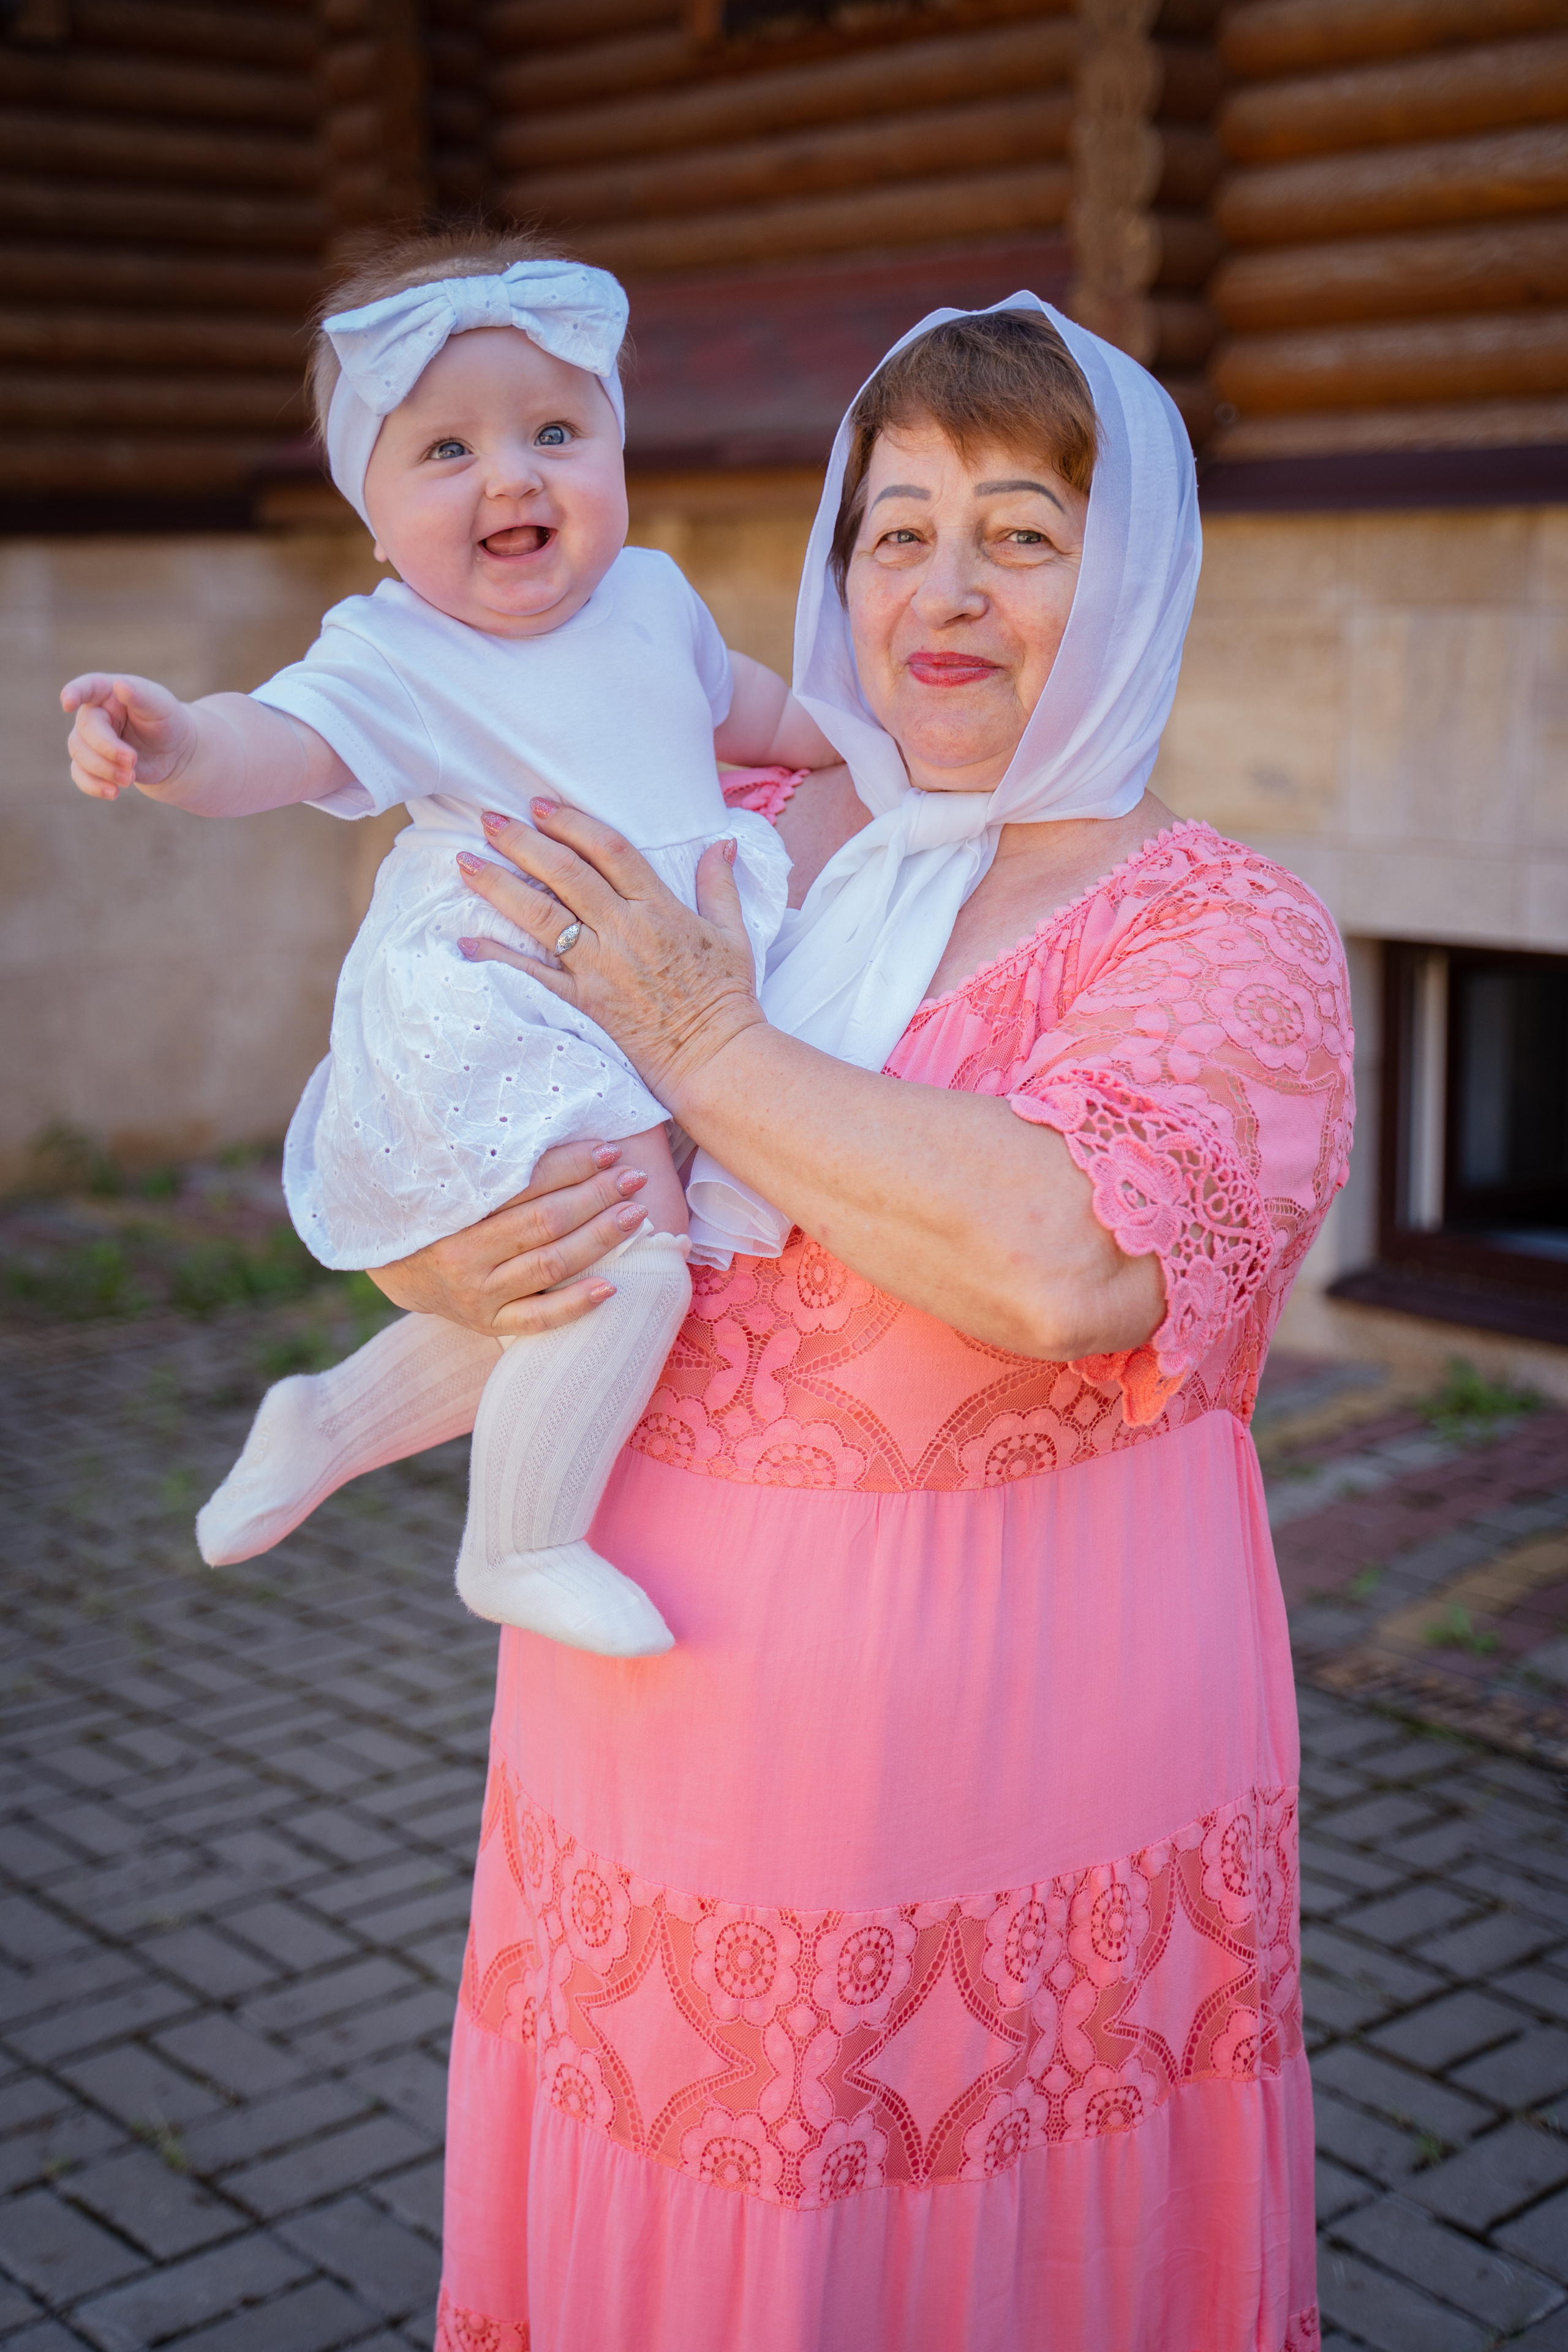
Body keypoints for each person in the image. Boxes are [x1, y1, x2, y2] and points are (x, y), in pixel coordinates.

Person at [384, 298, 1348, 2350]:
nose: (944, 588)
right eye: (895, 529)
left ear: (1135, 570)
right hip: (629, 1748)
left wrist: (708, 1039)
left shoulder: (1218, 925)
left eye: (1020, 531)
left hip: (993, 1791)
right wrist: (440, 1267)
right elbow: (440, 1077)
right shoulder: (728, 816)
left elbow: (1065, 1266)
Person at [58, 226, 833, 1657]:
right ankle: (516, 1542)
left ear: (614, 450)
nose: (512, 476)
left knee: (568, 1275)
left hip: (643, 988)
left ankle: (334, 1416)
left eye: (555, 430)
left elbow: (746, 707)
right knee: (623, 1262)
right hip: (511, 995)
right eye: (447, 451)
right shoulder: (397, 649)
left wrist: (865, 747)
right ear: (370, 513)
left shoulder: (652, 597)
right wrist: (175, 741)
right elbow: (270, 745)